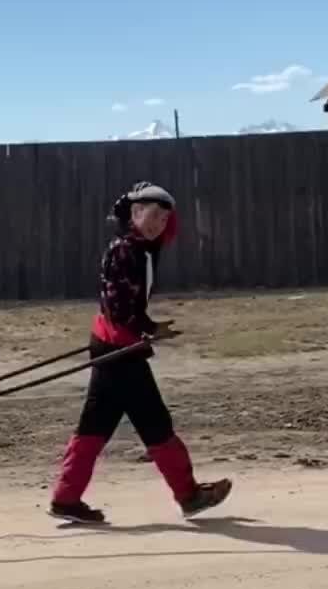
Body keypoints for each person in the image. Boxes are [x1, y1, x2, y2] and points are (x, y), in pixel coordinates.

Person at [50, 181, 232, 524]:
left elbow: (126, 304)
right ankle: (188, 494)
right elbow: (120, 307)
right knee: (154, 424)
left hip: (112, 343)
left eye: (164, 219)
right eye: (152, 215)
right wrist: (146, 329)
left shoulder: (138, 248)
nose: (158, 224)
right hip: (119, 349)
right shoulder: (126, 251)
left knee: (96, 424)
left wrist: (150, 326)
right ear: (135, 213)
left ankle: (66, 497)